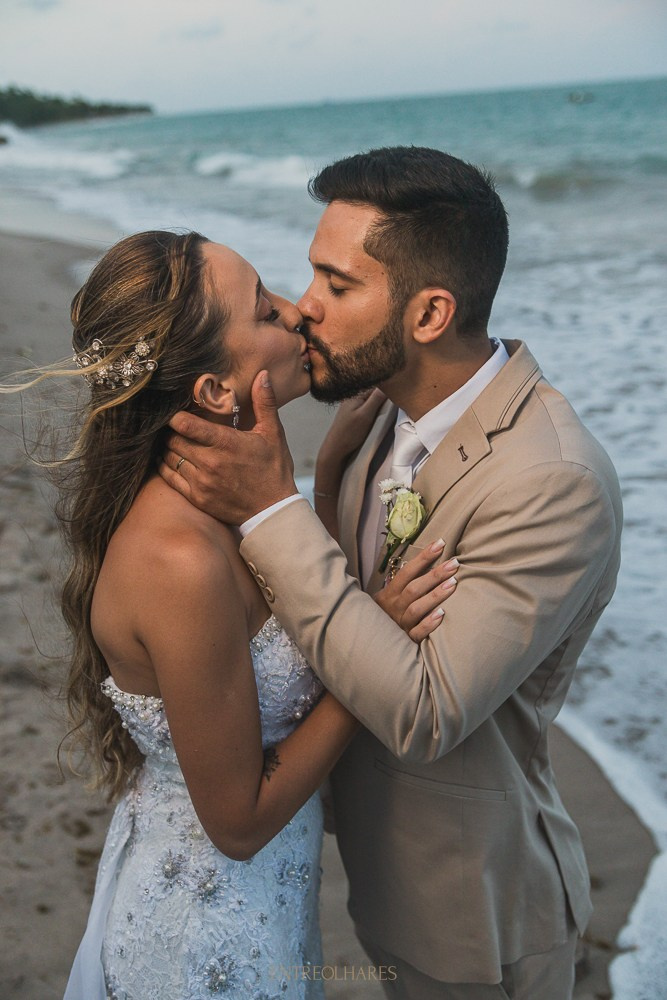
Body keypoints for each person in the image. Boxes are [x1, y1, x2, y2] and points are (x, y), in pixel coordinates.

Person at [160, 147, 623, 1000]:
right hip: (370, 875)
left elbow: (423, 710)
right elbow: (350, 595)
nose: (305, 309)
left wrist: (272, 508)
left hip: (474, 917)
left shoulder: (550, 479)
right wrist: (320, 487)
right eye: (311, 277)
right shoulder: (377, 411)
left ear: (428, 312)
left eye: (337, 287)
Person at [3, 230, 454, 999]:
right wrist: (369, 651)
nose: (298, 311)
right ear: (215, 391)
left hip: (263, 910)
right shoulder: (179, 560)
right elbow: (238, 823)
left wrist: (328, 473)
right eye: (265, 310)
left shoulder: (234, 505)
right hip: (206, 940)